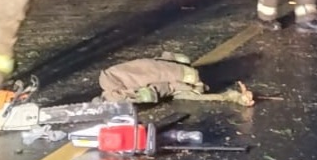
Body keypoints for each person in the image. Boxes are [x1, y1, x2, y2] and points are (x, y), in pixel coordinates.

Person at [96, 52, 255, 107]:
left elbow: (185, 93)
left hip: (121, 88)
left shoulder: (186, 84)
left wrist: (234, 97)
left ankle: (105, 103)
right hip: (118, 85)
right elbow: (153, 70)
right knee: (114, 89)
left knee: (115, 93)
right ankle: (104, 103)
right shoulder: (112, 77)